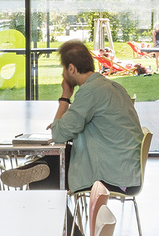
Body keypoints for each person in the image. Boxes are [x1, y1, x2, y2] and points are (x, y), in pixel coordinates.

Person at [50, 38, 145, 202]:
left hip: (112, 175)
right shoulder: (111, 86)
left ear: (71, 68)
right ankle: (28, 170)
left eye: (63, 70)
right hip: (126, 170)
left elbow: (58, 135)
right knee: (51, 164)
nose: (63, 75)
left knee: (49, 171)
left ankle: (28, 177)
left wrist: (65, 97)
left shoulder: (90, 91)